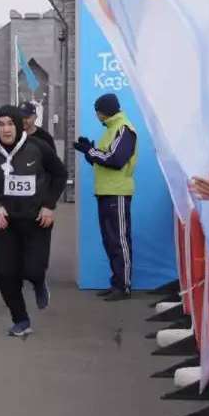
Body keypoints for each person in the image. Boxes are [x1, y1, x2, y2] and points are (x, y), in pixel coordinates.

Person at [0, 105, 67, 337]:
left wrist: (49, 205)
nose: (6, 129)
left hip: (38, 220)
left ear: (18, 126)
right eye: (1, 124)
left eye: (10, 124)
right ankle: (21, 320)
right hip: (8, 223)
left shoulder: (38, 148)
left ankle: (39, 282)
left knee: (33, 269)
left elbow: (60, 175)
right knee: (6, 274)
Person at [73, 93, 138, 301]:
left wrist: (91, 151)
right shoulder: (112, 130)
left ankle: (124, 285)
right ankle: (117, 283)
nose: (96, 115)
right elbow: (103, 159)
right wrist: (89, 151)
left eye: (97, 111)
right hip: (106, 190)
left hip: (117, 191)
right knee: (110, 240)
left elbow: (116, 159)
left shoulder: (123, 128)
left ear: (104, 111)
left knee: (119, 239)